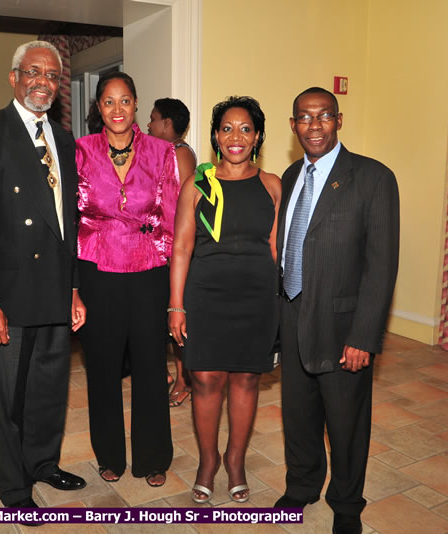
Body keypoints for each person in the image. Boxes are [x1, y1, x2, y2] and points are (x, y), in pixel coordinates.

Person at [0, 41, 87, 514]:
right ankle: (14, 489)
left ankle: (43, 464)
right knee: (8, 400)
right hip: (7, 296)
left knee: (50, 391)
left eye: (52, 76)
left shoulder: (64, 139)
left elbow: (67, 224)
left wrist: (73, 288)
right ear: (14, 77)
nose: (43, 82)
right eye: (34, 72)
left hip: (54, 289)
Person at [274, 87, 399, 534]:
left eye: (324, 116)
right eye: (305, 118)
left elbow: (382, 266)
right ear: (293, 126)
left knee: (346, 422)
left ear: (339, 120)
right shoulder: (289, 176)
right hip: (292, 314)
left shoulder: (372, 178)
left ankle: (347, 502)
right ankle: (303, 484)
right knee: (299, 413)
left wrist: (364, 337)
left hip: (343, 323)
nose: (315, 126)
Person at [169, 96, 281, 504]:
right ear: (216, 136)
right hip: (205, 296)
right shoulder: (197, 185)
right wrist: (176, 305)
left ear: (258, 137)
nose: (236, 137)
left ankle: (235, 460)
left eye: (246, 129)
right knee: (204, 380)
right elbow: (181, 248)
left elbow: (275, 249)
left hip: (256, 298)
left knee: (247, 379)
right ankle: (207, 461)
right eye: (227, 128)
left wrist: (279, 306)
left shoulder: (271, 184)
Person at [75, 71, 179, 487]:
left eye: (125, 101)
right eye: (108, 102)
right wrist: (73, 286)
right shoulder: (80, 151)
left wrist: (174, 284)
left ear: (136, 105)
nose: (117, 109)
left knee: (152, 366)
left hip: (149, 270)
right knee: (102, 367)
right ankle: (110, 454)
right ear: (98, 108)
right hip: (98, 269)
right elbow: (71, 220)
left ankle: (153, 457)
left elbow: (171, 215)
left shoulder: (161, 151)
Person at [147, 97, 197, 408]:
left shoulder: (180, 154)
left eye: (153, 119)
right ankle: (170, 373)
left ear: (167, 124)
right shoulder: (164, 152)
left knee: (176, 315)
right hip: (158, 248)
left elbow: (184, 205)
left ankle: (184, 379)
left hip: (174, 249)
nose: (148, 125)